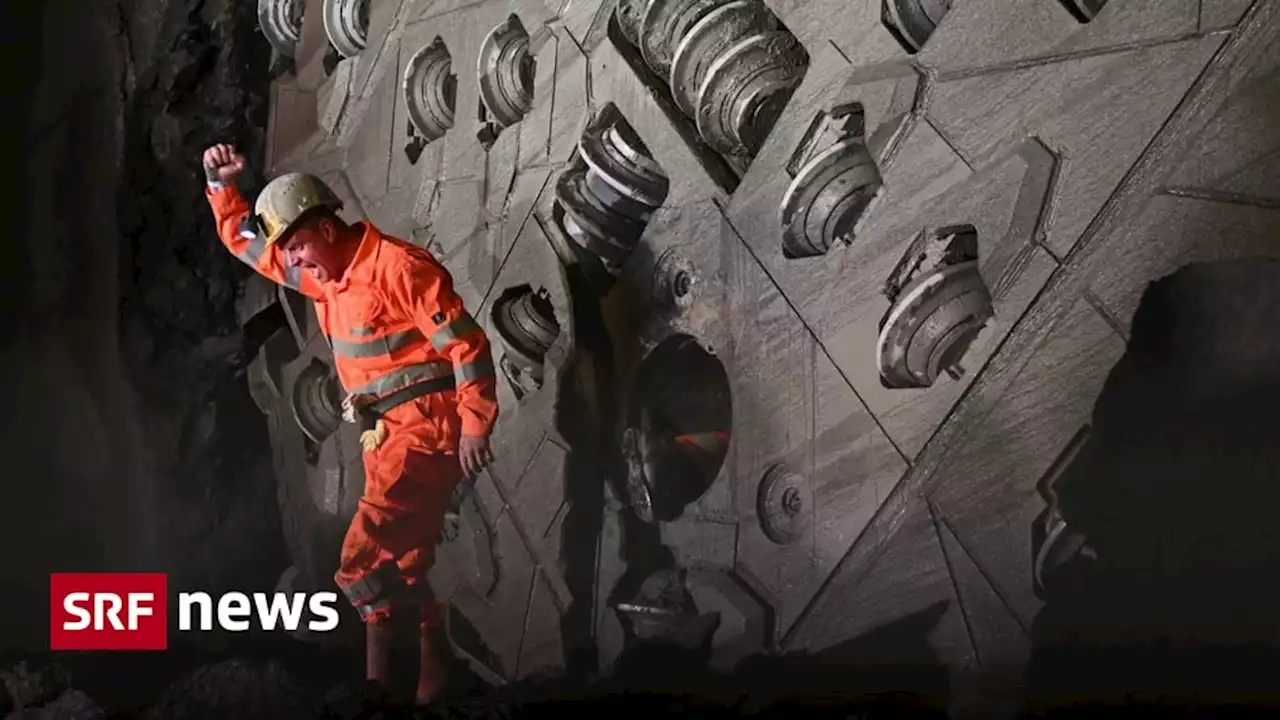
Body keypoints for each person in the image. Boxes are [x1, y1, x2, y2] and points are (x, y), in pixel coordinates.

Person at [201, 143, 499, 704]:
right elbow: (250, 247)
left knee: (360, 562)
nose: (294, 263)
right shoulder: (324, 277)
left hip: (423, 426)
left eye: (298, 248)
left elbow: (465, 344)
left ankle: (377, 691)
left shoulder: (398, 268)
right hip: (382, 431)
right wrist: (222, 191)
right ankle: (435, 670)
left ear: (325, 229)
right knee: (408, 560)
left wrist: (477, 423)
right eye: (290, 254)